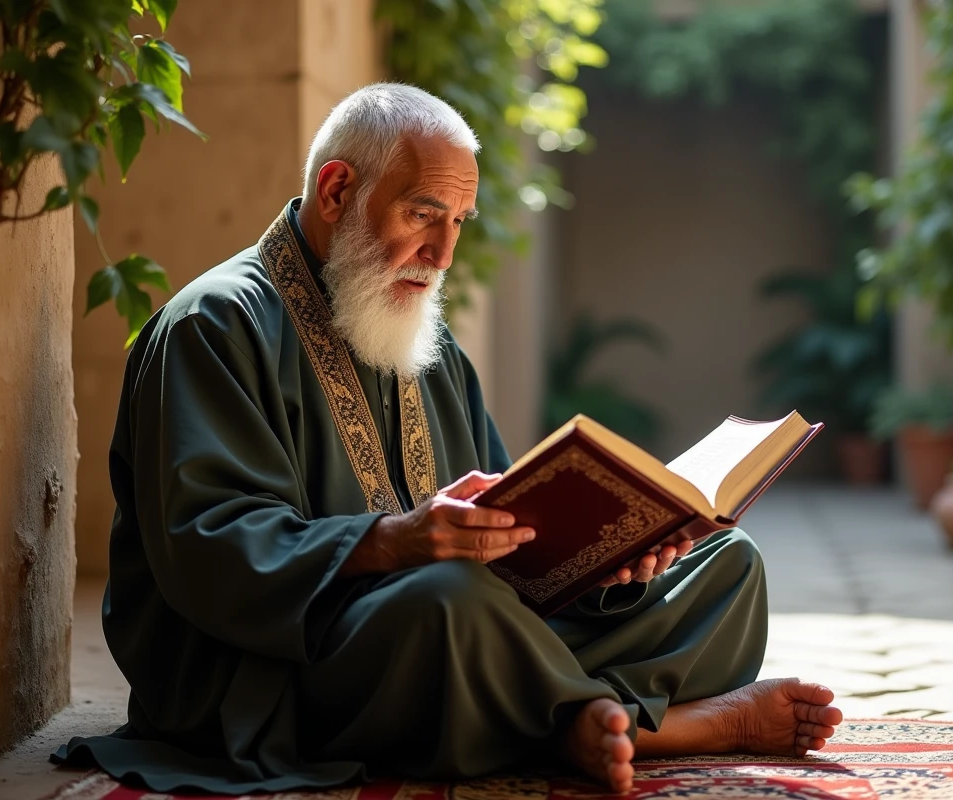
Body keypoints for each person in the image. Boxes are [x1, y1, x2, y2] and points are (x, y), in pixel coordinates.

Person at [54, 83, 843, 795]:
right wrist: (393, 543)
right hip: (269, 676)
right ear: (337, 190)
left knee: (727, 566)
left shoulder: (420, 339)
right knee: (448, 600)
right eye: (423, 213)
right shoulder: (215, 326)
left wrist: (613, 567)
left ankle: (555, 714)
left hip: (452, 639)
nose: (442, 255)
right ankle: (669, 724)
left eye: (457, 222)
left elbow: (510, 540)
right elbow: (208, 551)